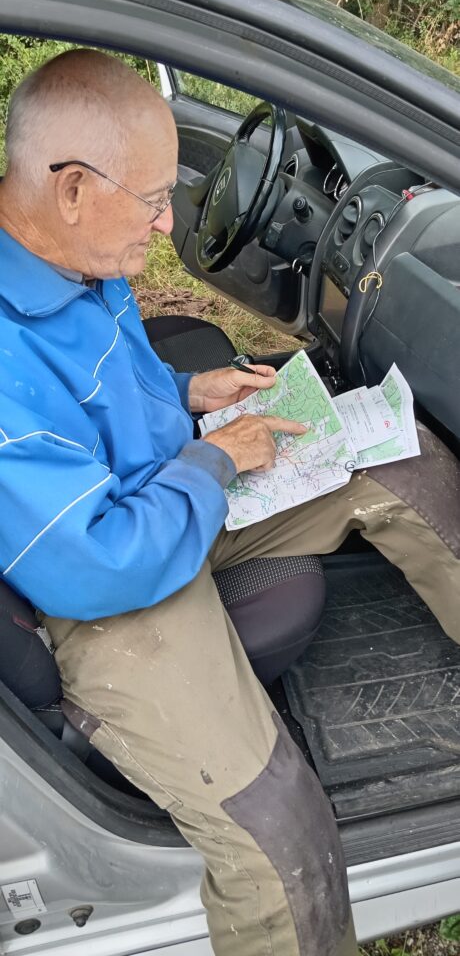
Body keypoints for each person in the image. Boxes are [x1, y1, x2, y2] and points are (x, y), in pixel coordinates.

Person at [0, 49, 458, 956]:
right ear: (74, 189)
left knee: (399, 458)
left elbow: (103, 402)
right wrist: (214, 460)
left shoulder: (74, 256)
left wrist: (185, 392)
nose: (168, 221)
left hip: (168, 493)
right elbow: (98, 561)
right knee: (276, 837)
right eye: (151, 200)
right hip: (106, 590)